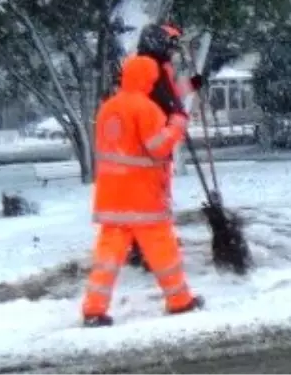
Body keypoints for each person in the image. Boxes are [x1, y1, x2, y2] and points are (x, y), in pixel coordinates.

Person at [81, 55, 203, 327]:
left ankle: (94, 308)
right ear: (149, 79)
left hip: (111, 195)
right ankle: (179, 301)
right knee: (163, 250)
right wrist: (176, 126)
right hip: (142, 196)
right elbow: (158, 147)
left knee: (107, 257)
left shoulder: (107, 108)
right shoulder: (146, 109)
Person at [127, 22, 204, 269]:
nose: (173, 49)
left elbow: (171, 94)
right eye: (170, 44)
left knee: (154, 196)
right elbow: (161, 99)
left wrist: (191, 86)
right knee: (153, 197)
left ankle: (144, 244)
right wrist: (175, 117)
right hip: (151, 143)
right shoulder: (149, 68)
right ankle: (149, 247)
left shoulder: (159, 66)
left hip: (158, 140)